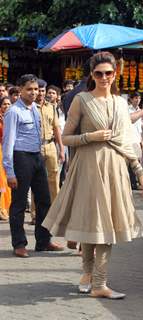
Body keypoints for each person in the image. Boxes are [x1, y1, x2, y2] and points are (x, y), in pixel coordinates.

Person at [42, 52, 143, 299]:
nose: (104, 78)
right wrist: (90, 137)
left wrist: (140, 172)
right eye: (99, 73)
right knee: (94, 223)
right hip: (88, 167)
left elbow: (125, 141)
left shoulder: (121, 103)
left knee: (106, 224)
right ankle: (93, 278)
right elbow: (66, 137)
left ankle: (94, 279)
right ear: (92, 75)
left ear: (115, 74)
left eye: (108, 73)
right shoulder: (81, 99)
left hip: (115, 170)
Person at [2, 74, 63, 258]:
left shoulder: (35, 109)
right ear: (20, 90)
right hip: (21, 158)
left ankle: (43, 241)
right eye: (29, 89)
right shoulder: (13, 112)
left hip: (37, 157)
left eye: (36, 89)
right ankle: (19, 244)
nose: (34, 92)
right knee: (19, 203)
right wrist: (10, 172)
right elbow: (8, 143)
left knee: (44, 200)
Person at [0, 97, 11, 221]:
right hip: (0, 151)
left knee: (8, 180)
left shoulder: (12, 117)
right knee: (1, 180)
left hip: (10, 151)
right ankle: (1, 208)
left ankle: (6, 207)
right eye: (4, 104)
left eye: (8, 104)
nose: (7, 106)